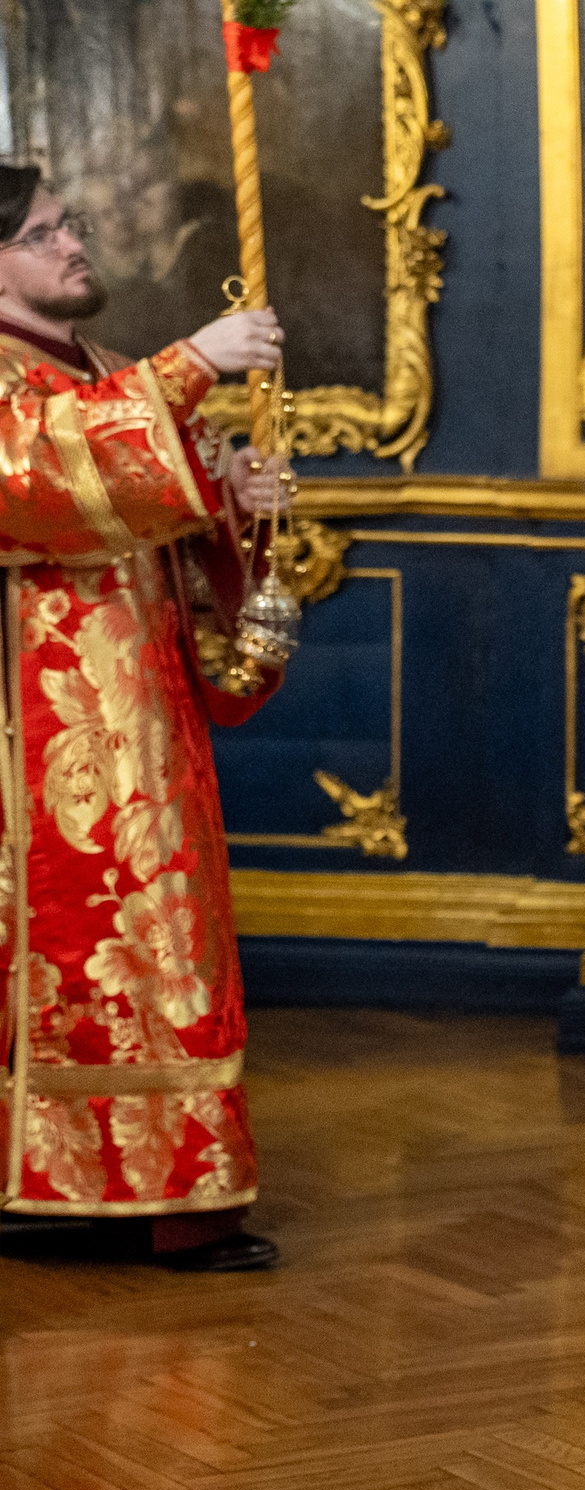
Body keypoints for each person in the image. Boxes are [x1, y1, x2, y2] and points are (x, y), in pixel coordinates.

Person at [0, 166, 295, 1273]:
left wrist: (226, 505)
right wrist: (195, 362)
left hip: (141, 719)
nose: (73, 245)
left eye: (69, 224)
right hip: (32, 739)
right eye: (41, 234)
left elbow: (141, 505)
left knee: (167, 943)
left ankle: (162, 1185)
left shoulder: (102, 370)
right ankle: (59, 1189)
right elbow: (32, 480)